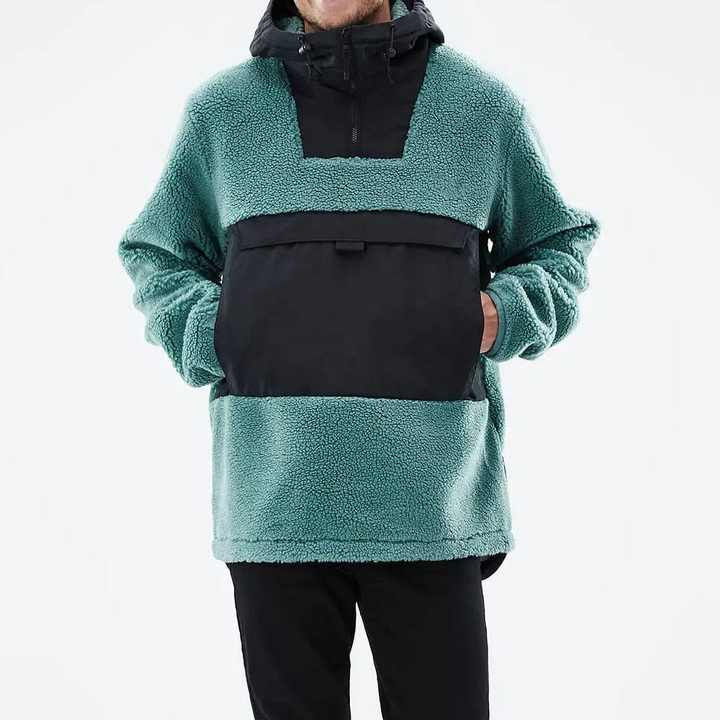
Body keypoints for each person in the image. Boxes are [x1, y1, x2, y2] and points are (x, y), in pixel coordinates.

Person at [118, 1, 600, 717]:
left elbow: (559, 244)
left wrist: (496, 315)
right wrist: (213, 331)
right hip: (275, 507)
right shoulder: (222, 114)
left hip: (432, 509)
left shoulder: (480, 108)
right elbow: (156, 250)